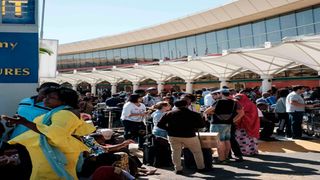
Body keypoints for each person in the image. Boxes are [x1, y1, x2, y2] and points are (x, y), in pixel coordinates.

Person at [2, 87, 96, 179]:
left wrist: (25, 122)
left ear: (64, 101)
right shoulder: (60, 112)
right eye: (46, 96)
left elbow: (55, 133)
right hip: (48, 155)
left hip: (53, 155)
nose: (45, 99)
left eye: (51, 97)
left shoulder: (64, 114)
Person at [157, 100, 205, 174]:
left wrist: (169, 129)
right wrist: (193, 127)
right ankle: (201, 168)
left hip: (173, 135)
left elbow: (159, 124)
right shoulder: (194, 114)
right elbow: (201, 125)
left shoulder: (169, 113)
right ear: (187, 105)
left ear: (175, 106)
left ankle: (178, 169)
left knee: (175, 152)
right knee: (197, 152)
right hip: (190, 135)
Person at [204, 89, 244, 163]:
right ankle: (226, 158)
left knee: (220, 141)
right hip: (228, 123)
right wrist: (233, 120)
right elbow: (241, 113)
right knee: (227, 140)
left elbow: (207, 111)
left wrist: (212, 112)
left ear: (221, 94)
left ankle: (221, 159)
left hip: (217, 123)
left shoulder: (219, 102)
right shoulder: (233, 102)